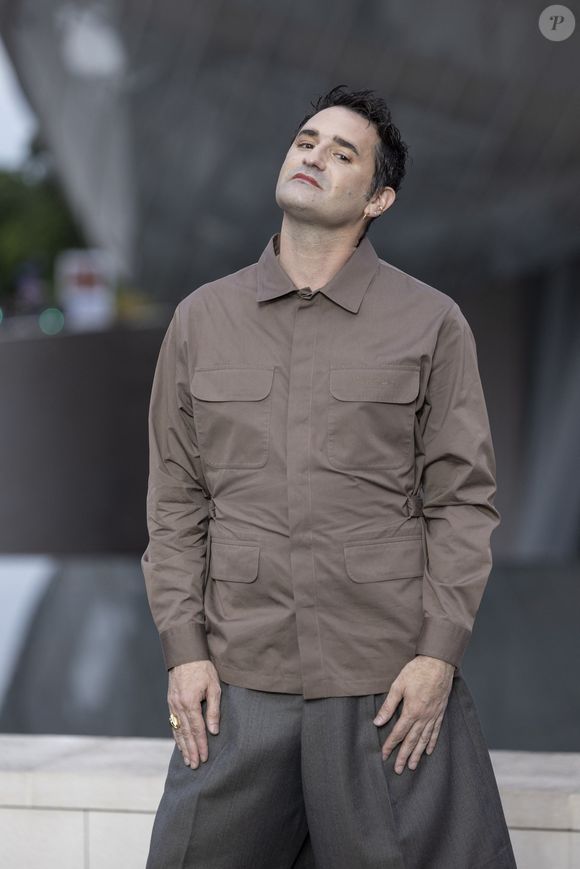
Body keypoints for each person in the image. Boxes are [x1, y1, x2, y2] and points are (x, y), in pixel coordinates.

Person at [141, 84, 517, 868]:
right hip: (238, 688)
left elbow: (462, 500)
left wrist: (437, 655)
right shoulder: (200, 320)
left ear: (378, 198)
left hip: (387, 691)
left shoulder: (431, 321)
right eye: (306, 139)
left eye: (343, 152)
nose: (313, 154)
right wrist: (185, 652)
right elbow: (176, 501)